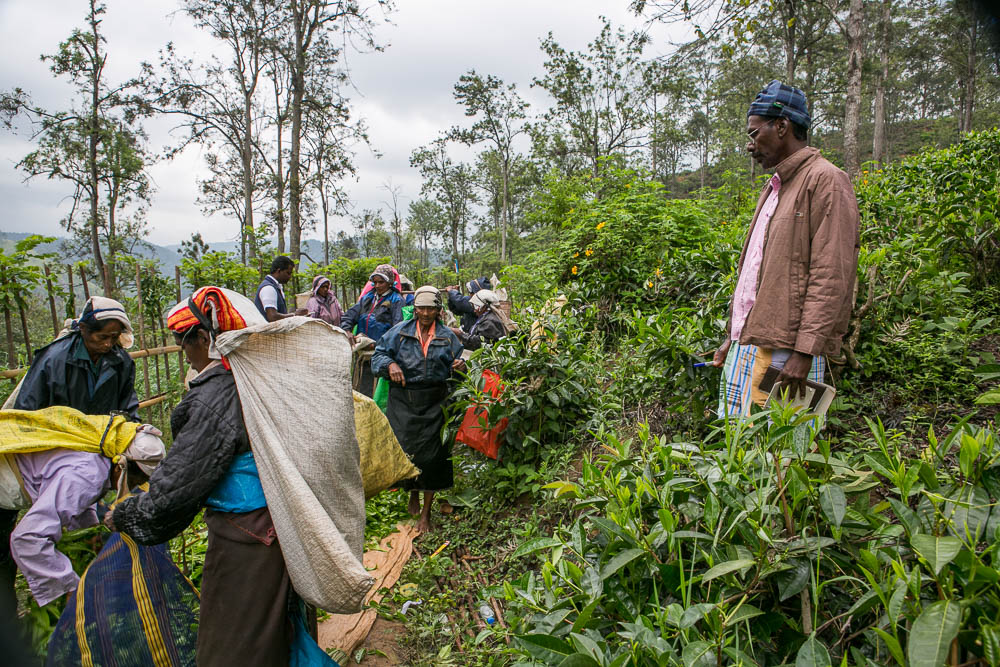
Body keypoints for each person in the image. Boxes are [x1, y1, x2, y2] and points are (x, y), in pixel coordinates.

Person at [106, 290, 293, 666]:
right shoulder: (258, 376)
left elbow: (176, 489)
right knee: (271, 629)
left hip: (247, 533)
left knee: (234, 641)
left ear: (205, 338)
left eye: (182, 341)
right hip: (279, 523)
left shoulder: (216, 395)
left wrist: (124, 514)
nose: (182, 351)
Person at [712, 80, 860, 421]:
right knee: (734, 453)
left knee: (779, 459)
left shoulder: (826, 181)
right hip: (750, 347)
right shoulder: (777, 185)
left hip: (788, 356)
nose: (750, 146)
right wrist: (734, 337)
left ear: (781, 126)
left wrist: (804, 353)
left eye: (754, 134)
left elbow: (831, 274)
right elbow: (758, 275)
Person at [7, 297, 139, 609]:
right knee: (63, 501)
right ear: (82, 330)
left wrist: (122, 435)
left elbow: (126, 408)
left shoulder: (121, 362)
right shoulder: (55, 360)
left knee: (82, 503)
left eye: (113, 337)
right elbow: (28, 411)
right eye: (100, 337)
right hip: (55, 451)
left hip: (95, 449)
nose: (107, 344)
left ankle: (80, 564)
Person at [371, 286, 465, 533]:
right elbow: (377, 356)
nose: (425, 313)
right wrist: (390, 364)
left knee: (434, 458)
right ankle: (412, 491)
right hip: (403, 401)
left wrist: (461, 366)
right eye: (421, 308)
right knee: (407, 451)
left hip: (436, 402)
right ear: (415, 309)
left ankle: (426, 512)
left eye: (430, 308)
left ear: (438, 310)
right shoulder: (399, 333)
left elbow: (461, 362)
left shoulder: (447, 337)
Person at [340, 264, 404, 347]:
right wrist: (347, 330)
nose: (377, 286)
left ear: (390, 283)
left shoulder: (396, 300)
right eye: (375, 282)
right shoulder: (368, 298)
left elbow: (397, 329)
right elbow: (349, 316)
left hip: (383, 349)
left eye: (381, 282)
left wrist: (377, 344)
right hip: (362, 346)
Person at [254, 255, 306, 322]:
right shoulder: (268, 288)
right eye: (288, 273)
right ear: (279, 271)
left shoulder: (276, 287)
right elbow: (272, 316)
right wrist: (295, 315)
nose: (289, 277)